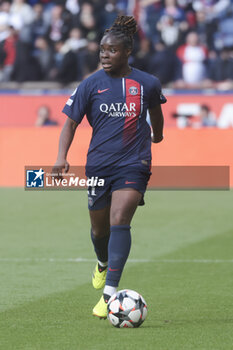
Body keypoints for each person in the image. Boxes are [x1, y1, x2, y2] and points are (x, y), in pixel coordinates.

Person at [53, 15, 166, 319]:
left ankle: (109, 294)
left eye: (111, 50)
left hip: (134, 163)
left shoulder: (147, 83)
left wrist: (158, 135)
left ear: (127, 52)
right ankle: (103, 263)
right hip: (99, 165)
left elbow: (156, 112)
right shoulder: (90, 85)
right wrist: (61, 156)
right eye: (102, 50)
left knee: (120, 219)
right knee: (98, 228)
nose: (104, 55)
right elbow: (71, 124)